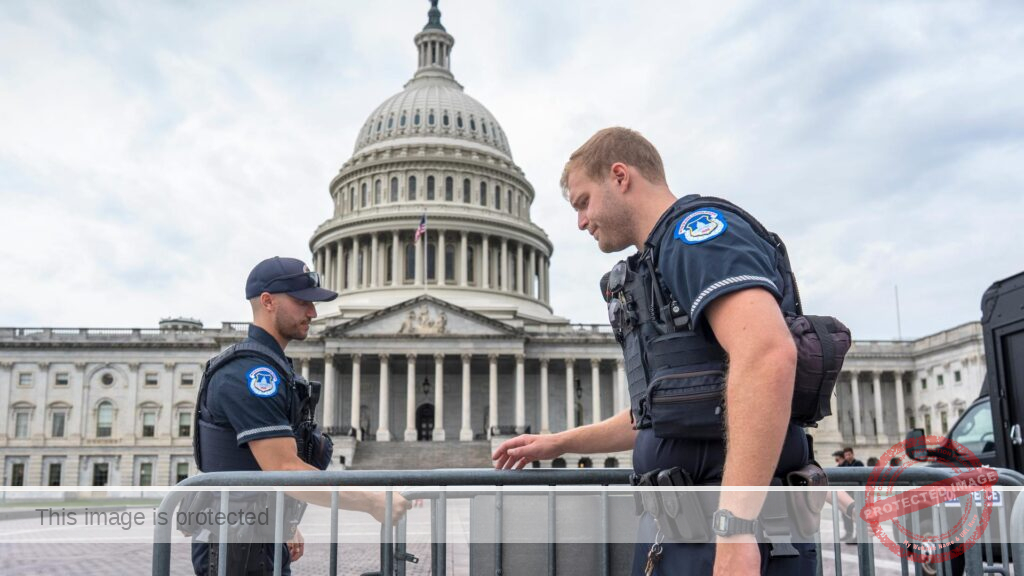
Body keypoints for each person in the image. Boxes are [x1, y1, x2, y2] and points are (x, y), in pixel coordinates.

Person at [492, 128, 816, 575]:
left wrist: (735, 529)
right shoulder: (657, 263)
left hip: (730, 532)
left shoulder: (697, 236)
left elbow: (766, 355)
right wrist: (558, 443)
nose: (581, 222)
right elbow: (666, 412)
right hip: (685, 531)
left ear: (620, 176)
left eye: (583, 202)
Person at [190, 256, 411, 575]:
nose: (313, 312)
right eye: (302, 301)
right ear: (268, 302)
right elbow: (283, 467)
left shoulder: (272, 367)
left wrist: (283, 523)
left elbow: (261, 471)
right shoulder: (251, 374)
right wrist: (371, 499)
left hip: (256, 537)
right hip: (235, 547)